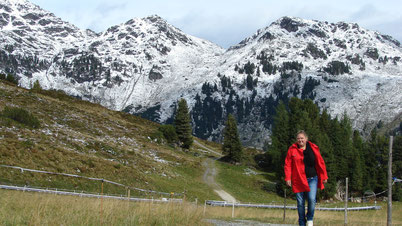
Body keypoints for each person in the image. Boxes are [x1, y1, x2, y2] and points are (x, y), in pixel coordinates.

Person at [284, 130, 328, 226]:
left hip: (312, 178)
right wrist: (288, 178)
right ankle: (302, 223)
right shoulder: (292, 149)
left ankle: (310, 219)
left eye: (302, 138)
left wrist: (324, 175)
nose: (300, 140)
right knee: (300, 203)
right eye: (298, 138)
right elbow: (287, 165)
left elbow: (320, 162)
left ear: (306, 139)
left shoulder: (313, 148)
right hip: (298, 180)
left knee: (312, 199)